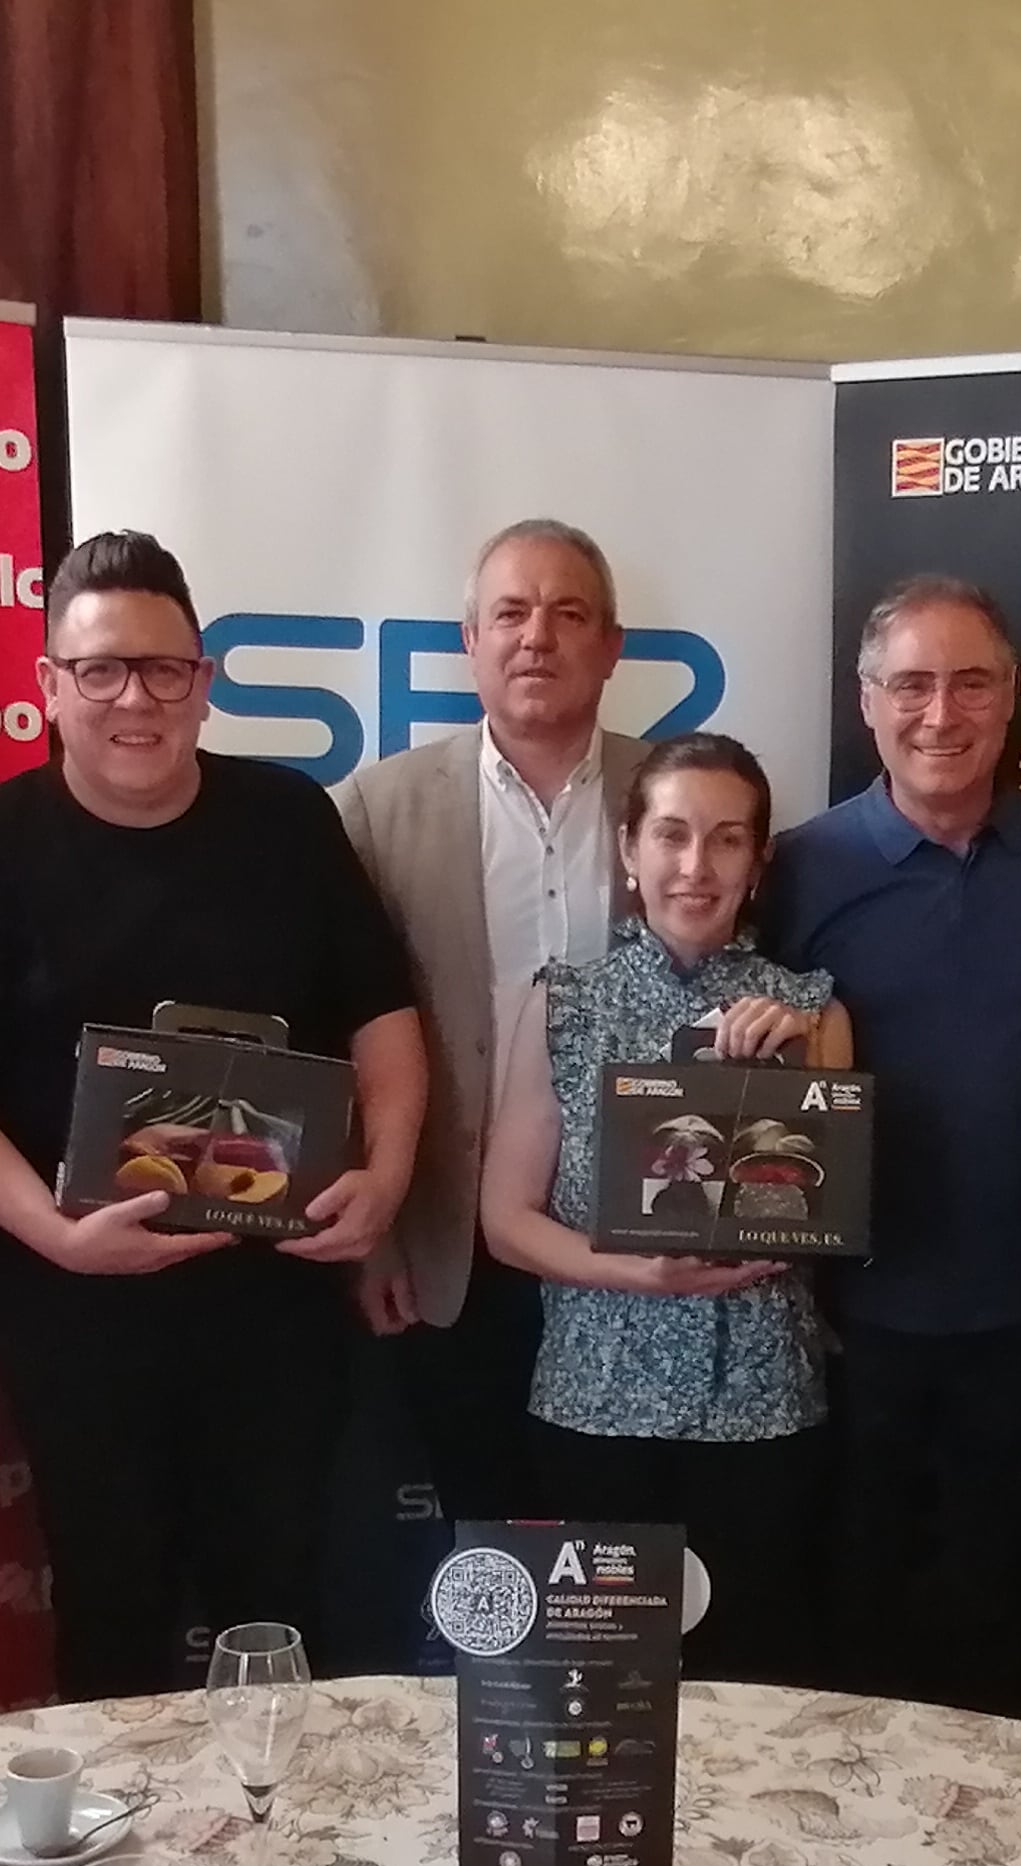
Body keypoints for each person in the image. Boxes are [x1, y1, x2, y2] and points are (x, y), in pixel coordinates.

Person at [0, 531, 424, 1700]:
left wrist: (385, 1178)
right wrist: (53, 1230)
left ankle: (283, 1840)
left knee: (278, 1598)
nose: (136, 699)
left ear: (204, 682)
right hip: (75, 1304)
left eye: (165, 670)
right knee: (110, 1601)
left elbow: (384, 1018)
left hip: (274, 1298)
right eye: (100, 671)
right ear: (49, 687)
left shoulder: (287, 821)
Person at [760, 576, 1021, 1720]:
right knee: (853, 1623)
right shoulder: (800, 866)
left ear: (1012, 702)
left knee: (994, 1624)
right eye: (910, 684)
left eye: (971, 683)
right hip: (848, 1322)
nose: (940, 712)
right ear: (867, 703)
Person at [481, 734, 850, 1681]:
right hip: (593, 1411)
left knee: (758, 1696)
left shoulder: (811, 1011)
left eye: (728, 840)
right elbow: (507, 1219)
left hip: (762, 1412)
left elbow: (832, 1216)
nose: (696, 866)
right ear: (628, 850)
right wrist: (636, 1271)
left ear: (759, 861)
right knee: (600, 1706)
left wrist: (795, 1067)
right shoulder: (564, 1003)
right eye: (672, 835)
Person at [333, 519, 644, 1522]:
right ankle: (507, 1691)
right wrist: (377, 1235)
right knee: (492, 1530)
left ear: (612, 646)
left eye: (568, 613)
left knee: (622, 1543)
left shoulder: (681, 792)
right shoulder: (379, 809)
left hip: (631, 1235)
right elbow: (345, 1031)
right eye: (510, 612)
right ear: (470, 640)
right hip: (448, 1245)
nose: (536, 637)